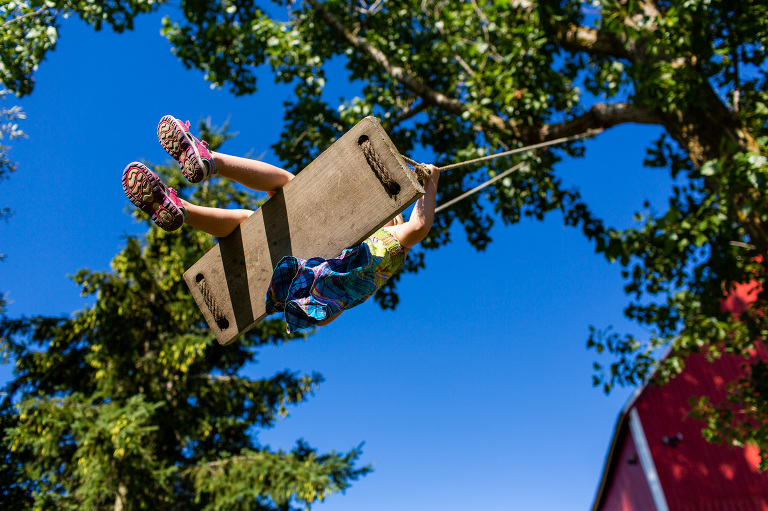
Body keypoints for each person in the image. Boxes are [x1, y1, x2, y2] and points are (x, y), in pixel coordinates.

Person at [122, 115, 439, 332]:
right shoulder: (377, 270)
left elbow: (418, 228)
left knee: (286, 187)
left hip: (319, 272)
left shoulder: (385, 244)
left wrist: (430, 182)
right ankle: (182, 209)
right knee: (250, 228)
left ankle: (210, 160)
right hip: (297, 294)